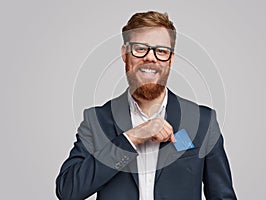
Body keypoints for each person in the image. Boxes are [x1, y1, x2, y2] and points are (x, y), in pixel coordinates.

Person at [56, 11, 237, 200]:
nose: (151, 58)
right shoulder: (97, 121)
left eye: (161, 51)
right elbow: (68, 191)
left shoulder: (203, 122)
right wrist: (132, 137)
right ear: (125, 54)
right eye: (140, 48)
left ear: (171, 59)